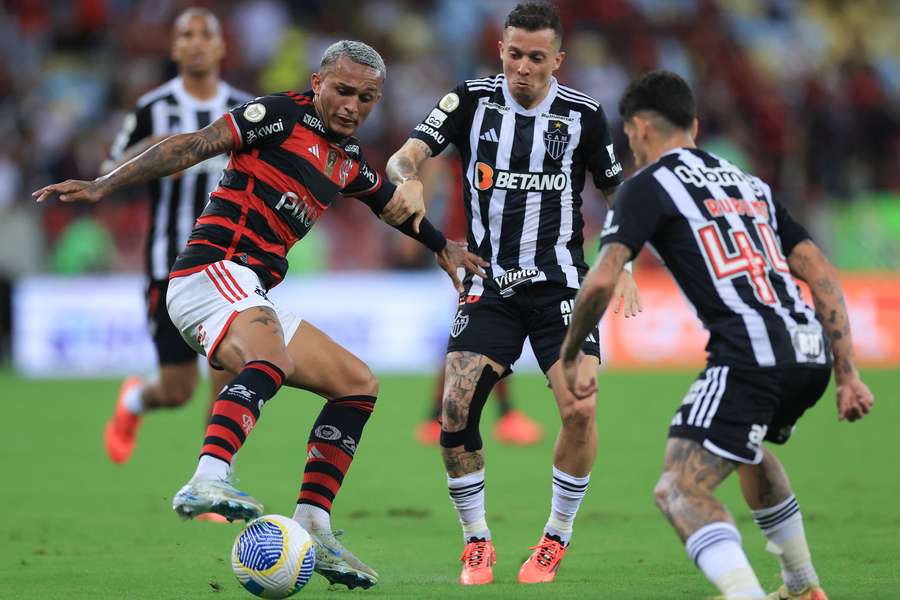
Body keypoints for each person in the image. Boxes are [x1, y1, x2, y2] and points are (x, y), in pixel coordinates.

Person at [34, 40, 486, 591]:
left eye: (366, 97)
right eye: (342, 90)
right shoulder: (279, 115)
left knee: (357, 385)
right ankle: (207, 478)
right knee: (269, 355)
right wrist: (106, 184)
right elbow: (195, 144)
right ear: (318, 83)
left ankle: (313, 523)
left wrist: (443, 245)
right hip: (210, 271)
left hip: (248, 288)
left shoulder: (345, 162)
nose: (352, 105)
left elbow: (392, 205)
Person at [560, 70, 875, 600]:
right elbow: (818, 269)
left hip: (751, 352)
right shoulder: (749, 183)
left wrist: (571, 354)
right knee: (746, 450)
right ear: (696, 126)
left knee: (679, 488)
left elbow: (601, 279)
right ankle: (802, 587)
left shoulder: (648, 186)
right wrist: (847, 373)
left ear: (637, 129)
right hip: (808, 351)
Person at [383, 2, 640, 585]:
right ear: (501, 50)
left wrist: (621, 259)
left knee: (579, 408)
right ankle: (477, 541)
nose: (523, 67)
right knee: (454, 409)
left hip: (561, 286)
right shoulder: (469, 101)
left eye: (537, 58)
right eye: (514, 54)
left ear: (558, 60)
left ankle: (555, 539)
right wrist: (409, 180)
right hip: (488, 281)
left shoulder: (584, 116)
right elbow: (407, 153)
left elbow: (617, 191)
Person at [101, 8, 253, 471]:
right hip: (167, 269)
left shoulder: (248, 110)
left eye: (207, 33)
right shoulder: (152, 110)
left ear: (223, 46)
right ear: (174, 48)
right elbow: (107, 174)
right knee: (177, 390)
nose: (197, 42)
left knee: (227, 374)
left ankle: (212, 478)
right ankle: (134, 401)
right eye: (187, 34)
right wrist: (150, 150)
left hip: (231, 267)